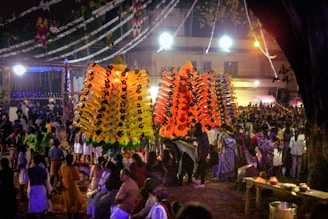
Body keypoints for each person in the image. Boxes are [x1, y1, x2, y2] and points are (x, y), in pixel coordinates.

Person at [58, 154, 84, 219]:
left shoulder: (62, 166)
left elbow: (60, 175)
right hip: (71, 185)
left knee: (67, 200)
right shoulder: (73, 168)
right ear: (72, 160)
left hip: (64, 184)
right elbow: (77, 177)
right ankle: (76, 213)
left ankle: (69, 215)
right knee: (76, 199)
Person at [27, 154, 48, 219]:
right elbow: (45, 177)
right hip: (41, 187)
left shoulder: (30, 169)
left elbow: (29, 177)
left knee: (33, 203)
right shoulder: (42, 169)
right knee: (41, 204)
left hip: (33, 187)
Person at [193, 123, 210, 188]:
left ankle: (200, 181)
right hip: (206, 152)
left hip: (202, 153)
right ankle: (198, 179)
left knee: (201, 167)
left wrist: (199, 157)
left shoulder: (199, 137)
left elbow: (200, 147)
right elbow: (207, 145)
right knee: (202, 167)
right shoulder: (204, 134)